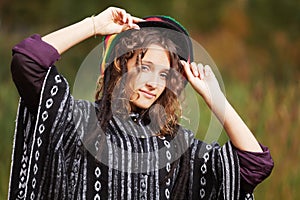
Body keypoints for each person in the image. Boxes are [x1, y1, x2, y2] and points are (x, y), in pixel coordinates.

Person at [8, 7, 273, 200]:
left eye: (163, 74)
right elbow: (29, 61)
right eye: (144, 67)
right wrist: (94, 25)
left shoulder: (176, 147)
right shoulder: (79, 121)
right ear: (120, 66)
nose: (153, 83)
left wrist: (216, 98)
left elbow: (253, 165)